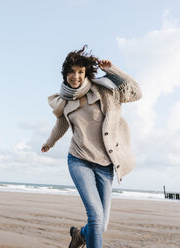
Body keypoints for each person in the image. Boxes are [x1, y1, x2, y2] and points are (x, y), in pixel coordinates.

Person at [41, 45, 142, 248]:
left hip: (105, 164)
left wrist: (112, 70)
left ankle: (79, 236)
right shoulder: (64, 101)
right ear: (65, 74)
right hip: (79, 160)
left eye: (80, 71)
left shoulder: (104, 91)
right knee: (95, 216)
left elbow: (136, 93)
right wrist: (49, 142)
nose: (76, 76)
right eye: (71, 72)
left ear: (86, 72)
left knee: (100, 225)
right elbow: (61, 124)